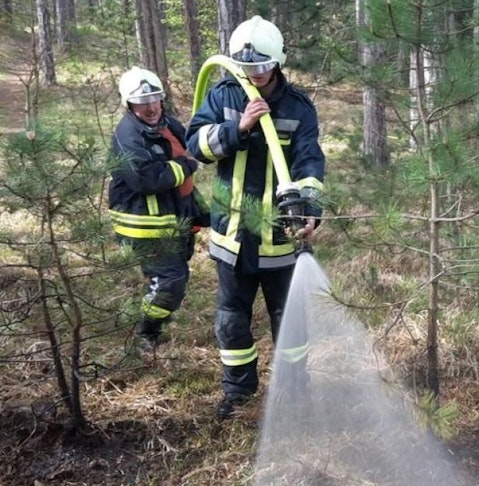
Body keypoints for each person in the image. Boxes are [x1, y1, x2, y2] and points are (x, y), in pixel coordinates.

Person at [185, 16, 325, 420]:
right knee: (232, 321)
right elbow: (197, 145)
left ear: (277, 62)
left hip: (279, 237)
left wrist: (310, 208)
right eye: (248, 67)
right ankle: (239, 392)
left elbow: (310, 161)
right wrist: (238, 127)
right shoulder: (223, 94)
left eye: (262, 66)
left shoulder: (298, 107)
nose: (255, 74)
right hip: (232, 235)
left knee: (290, 321)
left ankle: (296, 388)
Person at [109, 67, 204, 354]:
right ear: (129, 104)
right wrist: (186, 165)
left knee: (176, 276)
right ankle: (146, 333)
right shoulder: (128, 135)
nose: (150, 107)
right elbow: (145, 179)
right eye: (142, 102)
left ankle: (155, 318)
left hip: (175, 214)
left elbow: (193, 151)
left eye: (154, 99)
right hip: (145, 224)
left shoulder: (171, 125)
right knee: (170, 280)